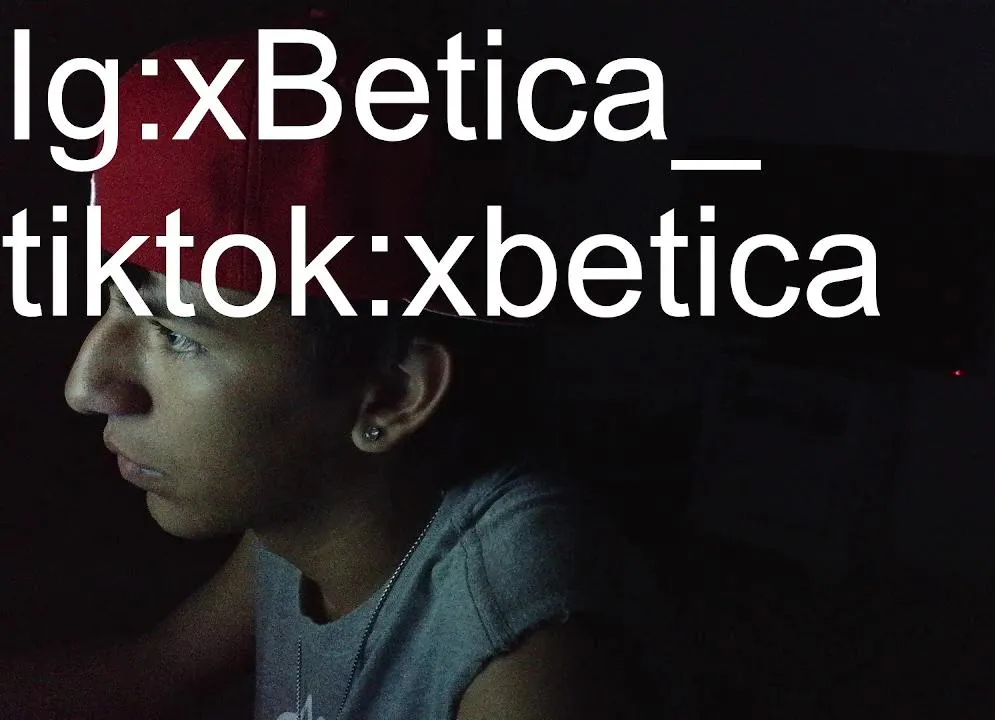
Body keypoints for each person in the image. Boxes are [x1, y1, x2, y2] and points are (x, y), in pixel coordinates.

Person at [1, 10, 690, 720]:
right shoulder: (310, 514)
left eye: (177, 335)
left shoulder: (527, 660)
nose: (87, 387)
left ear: (391, 394)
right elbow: (154, 674)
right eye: (112, 299)